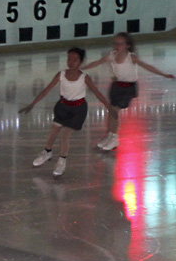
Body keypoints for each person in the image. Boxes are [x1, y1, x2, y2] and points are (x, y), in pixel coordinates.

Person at [19, 47, 112, 178]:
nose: (71, 62)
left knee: (65, 134)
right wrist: (33, 104)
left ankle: (62, 161)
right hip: (63, 107)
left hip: (78, 110)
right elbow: (46, 90)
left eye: (75, 60)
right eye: (69, 59)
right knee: (54, 131)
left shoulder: (84, 77)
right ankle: (47, 152)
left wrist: (109, 107)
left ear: (81, 62)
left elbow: (97, 93)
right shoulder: (61, 74)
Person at [82, 33, 176, 151]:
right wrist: (81, 68)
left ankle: (114, 138)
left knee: (114, 112)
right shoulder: (111, 55)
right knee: (111, 112)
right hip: (116, 86)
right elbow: (97, 62)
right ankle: (110, 136)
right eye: (115, 43)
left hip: (128, 88)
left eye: (120, 43)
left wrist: (164, 74)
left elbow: (147, 66)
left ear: (127, 45)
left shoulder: (131, 57)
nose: (117, 46)